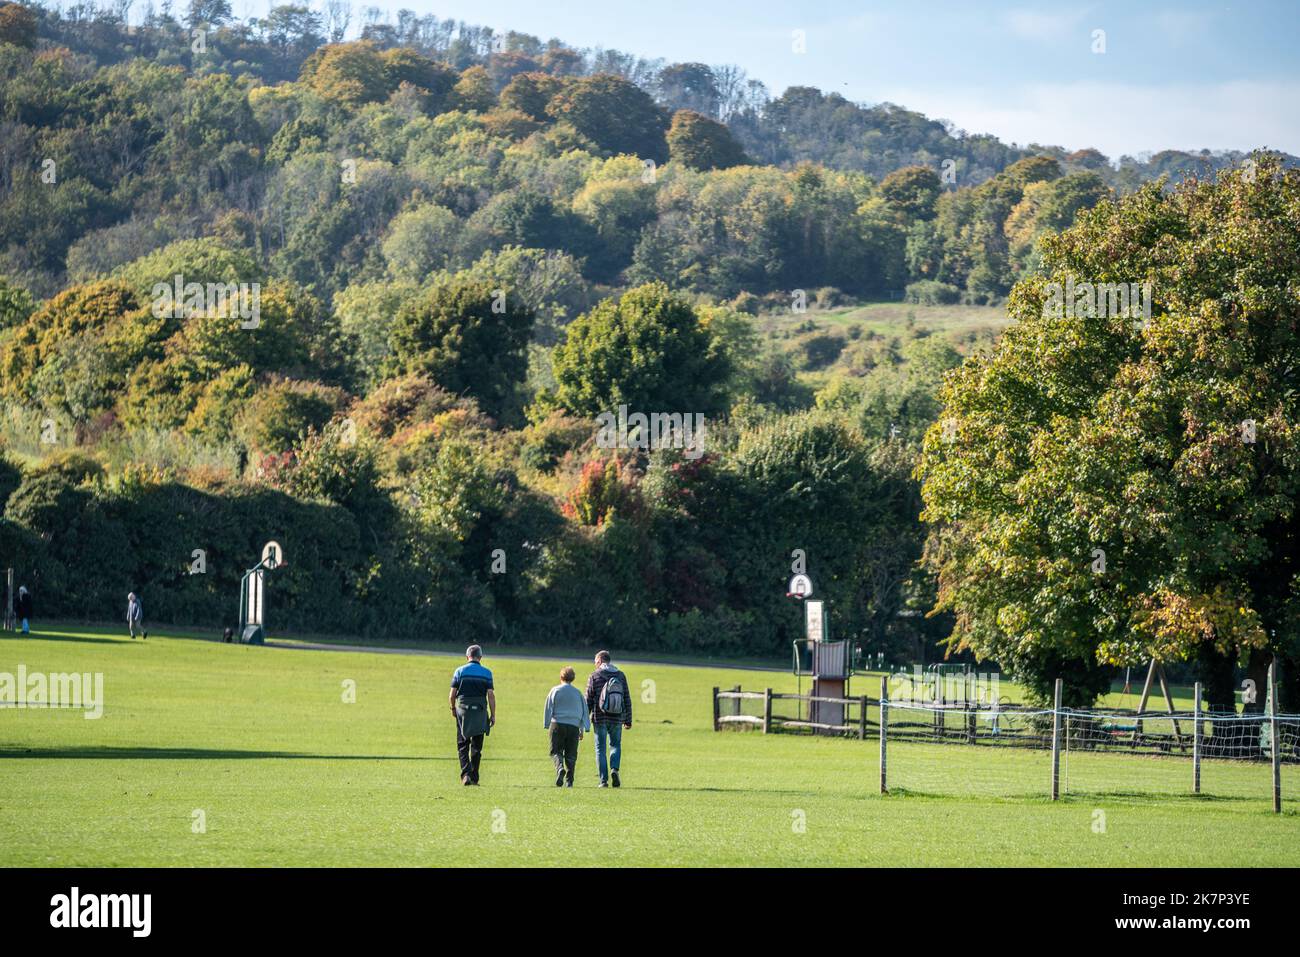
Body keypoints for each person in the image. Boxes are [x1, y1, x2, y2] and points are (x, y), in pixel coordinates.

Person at [585, 650, 632, 788]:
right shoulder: (621, 675)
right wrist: (628, 719)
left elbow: (587, 699)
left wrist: (584, 720)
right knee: (615, 745)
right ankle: (614, 770)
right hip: (617, 718)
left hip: (599, 718)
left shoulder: (594, 676)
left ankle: (603, 781)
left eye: (595, 662)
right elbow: (626, 698)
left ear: (599, 661)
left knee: (600, 749)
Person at [449, 645, 495, 786]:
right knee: (477, 746)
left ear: (467, 657)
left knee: (463, 745)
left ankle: (465, 774)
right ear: (480, 658)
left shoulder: (459, 671)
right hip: (480, 713)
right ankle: (474, 777)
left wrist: (452, 708)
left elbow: (452, 694)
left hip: (462, 711)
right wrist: (493, 715)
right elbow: (491, 696)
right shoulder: (487, 673)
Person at [543, 666, 590, 787]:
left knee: (555, 751)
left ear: (561, 677)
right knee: (571, 754)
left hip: (557, 724)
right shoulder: (578, 693)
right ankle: (569, 781)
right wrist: (583, 728)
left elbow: (549, 706)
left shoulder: (555, 690)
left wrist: (547, 723)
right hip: (573, 726)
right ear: (573, 678)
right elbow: (583, 711)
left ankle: (559, 768)